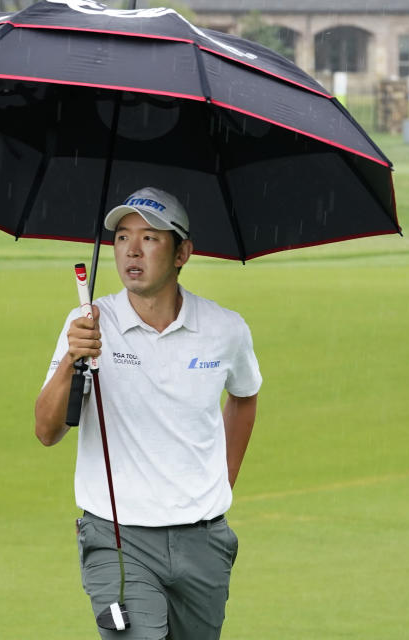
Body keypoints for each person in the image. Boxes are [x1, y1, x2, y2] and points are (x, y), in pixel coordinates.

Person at [34, 187, 262, 640]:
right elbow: (46, 430)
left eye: (150, 238)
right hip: (118, 542)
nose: (131, 251)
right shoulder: (87, 324)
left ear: (183, 253)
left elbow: (245, 395)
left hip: (204, 540)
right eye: (121, 238)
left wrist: (224, 477)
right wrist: (70, 362)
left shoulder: (225, 329)